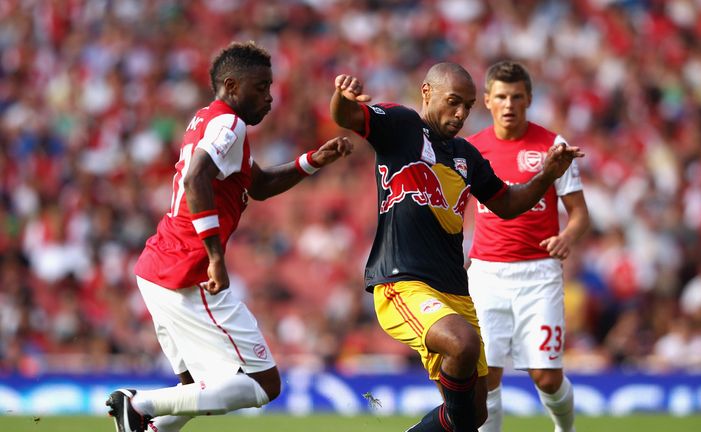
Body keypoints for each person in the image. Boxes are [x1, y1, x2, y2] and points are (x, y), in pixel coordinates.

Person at [106, 41, 353, 432]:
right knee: (262, 383)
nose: (269, 98)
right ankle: (138, 405)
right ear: (232, 85)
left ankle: (149, 427)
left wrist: (313, 161)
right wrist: (215, 257)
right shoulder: (229, 124)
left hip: (157, 267)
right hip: (188, 271)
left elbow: (257, 184)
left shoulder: (209, 120)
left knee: (193, 387)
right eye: (261, 87)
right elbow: (195, 178)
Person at [330, 62, 583, 432]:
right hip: (404, 282)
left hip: (455, 292)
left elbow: (507, 204)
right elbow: (347, 115)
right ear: (427, 92)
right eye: (453, 102)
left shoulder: (466, 155)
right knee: (462, 344)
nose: (461, 113)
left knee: (473, 415)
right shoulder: (402, 126)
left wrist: (546, 174)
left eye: (467, 105)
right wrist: (342, 95)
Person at [466, 61, 590, 432]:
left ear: (529, 99)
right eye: (501, 96)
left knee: (547, 377)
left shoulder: (554, 147)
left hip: (539, 273)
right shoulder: (471, 150)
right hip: (487, 274)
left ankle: (565, 429)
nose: (509, 104)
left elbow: (581, 214)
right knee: (485, 375)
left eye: (517, 96)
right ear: (487, 101)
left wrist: (567, 237)